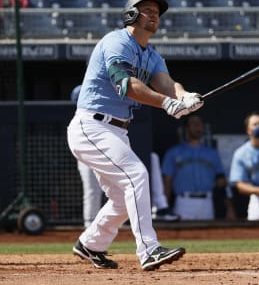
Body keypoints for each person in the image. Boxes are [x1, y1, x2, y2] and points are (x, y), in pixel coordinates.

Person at [67, 0, 204, 271]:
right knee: (136, 175)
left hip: (116, 130)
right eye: (147, 9)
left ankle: (91, 243)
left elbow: (167, 83)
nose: (154, 14)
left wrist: (184, 95)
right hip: (91, 124)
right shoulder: (116, 41)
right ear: (131, 14)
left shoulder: (151, 54)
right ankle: (149, 249)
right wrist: (167, 103)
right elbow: (126, 84)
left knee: (121, 197)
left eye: (157, 11)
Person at [70, 86, 178, 227]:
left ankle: (113, 225)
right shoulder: (81, 94)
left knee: (121, 188)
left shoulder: (116, 87)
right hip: (89, 138)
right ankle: (89, 225)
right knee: (92, 189)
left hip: (109, 136)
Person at [161, 113, 235, 220]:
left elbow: (222, 181)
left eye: (199, 124)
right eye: (193, 124)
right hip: (183, 201)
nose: (197, 127)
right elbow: (167, 182)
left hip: (206, 201)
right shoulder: (174, 152)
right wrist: (164, 207)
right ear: (186, 128)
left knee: (208, 235)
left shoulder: (212, 153)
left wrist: (229, 207)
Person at [70, 84, 105, 228]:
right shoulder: (80, 91)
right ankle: (90, 225)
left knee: (114, 187)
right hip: (85, 145)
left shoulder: (106, 91)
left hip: (103, 145)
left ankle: (107, 224)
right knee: (92, 188)